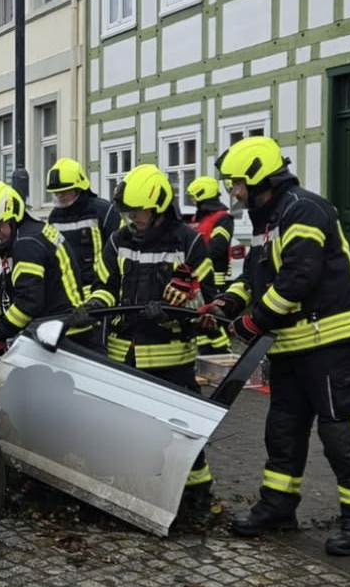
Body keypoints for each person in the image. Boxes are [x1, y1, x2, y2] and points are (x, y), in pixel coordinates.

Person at [204, 135, 350, 556]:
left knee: (341, 434)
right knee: (282, 432)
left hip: (332, 343)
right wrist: (230, 300)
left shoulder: (305, 209)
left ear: (258, 177)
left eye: (237, 183)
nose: (234, 192)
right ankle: (278, 507)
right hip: (291, 347)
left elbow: (298, 278)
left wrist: (253, 320)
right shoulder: (267, 222)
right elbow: (254, 277)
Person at [76, 164, 218, 515]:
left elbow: (209, 302)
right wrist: (93, 305)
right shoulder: (118, 240)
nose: (132, 219)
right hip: (125, 351)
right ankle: (133, 491)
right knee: (125, 427)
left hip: (172, 355)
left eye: (138, 212)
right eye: (128, 212)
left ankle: (198, 494)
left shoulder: (189, 241)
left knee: (182, 432)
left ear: (157, 208)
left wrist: (176, 309)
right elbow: (105, 286)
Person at [0, 180, 89, 358]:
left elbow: (28, 303)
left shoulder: (26, 245)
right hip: (64, 328)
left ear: (13, 217)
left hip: (62, 336)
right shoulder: (35, 232)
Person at [45, 157, 122, 298]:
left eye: (64, 191)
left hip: (100, 291)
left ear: (78, 187)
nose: (59, 196)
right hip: (68, 294)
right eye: (56, 193)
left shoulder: (104, 212)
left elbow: (119, 252)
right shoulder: (54, 217)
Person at [187, 176, 234, 356]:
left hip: (214, 280)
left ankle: (225, 354)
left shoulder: (223, 218)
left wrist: (195, 255)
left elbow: (218, 247)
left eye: (194, 197)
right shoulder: (199, 218)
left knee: (214, 320)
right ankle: (207, 355)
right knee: (201, 320)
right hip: (197, 280)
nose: (192, 201)